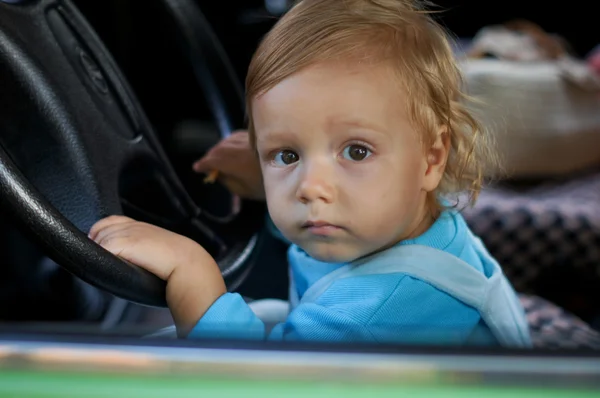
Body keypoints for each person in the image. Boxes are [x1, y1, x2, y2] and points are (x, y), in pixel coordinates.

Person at [89, 0, 531, 346]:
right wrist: (265, 189)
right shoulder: (390, 225)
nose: (310, 188)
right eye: (286, 155)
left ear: (431, 159)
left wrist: (192, 272)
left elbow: (255, 383)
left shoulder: (384, 309)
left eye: (356, 151)